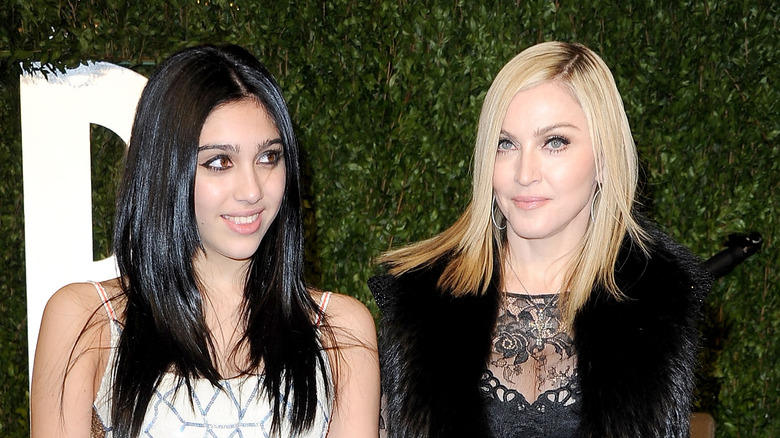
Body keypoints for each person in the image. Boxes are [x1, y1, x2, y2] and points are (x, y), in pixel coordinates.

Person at [31, 44, 379, 438]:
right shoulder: (87, 323)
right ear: (166, 170)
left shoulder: (339, 334)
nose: (252, 190)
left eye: (268, 157)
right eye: (219, 163)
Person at [369, 41, 711, 438]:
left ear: (604, 158)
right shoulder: (419, 303)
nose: (525, 172)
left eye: (554, 142)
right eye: (506, 144)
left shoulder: (659, 305)